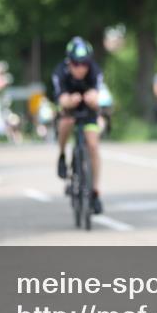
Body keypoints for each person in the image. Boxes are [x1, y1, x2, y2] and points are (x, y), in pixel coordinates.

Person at [51, 37, 104, 214]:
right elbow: (60, 98)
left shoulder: (95, 71)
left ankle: (95, 191)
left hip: (88, 110)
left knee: (93, 145)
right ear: (69, 62)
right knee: (66, 121)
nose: (80, 68)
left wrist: (93, 99)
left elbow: (98, 97)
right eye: (76, 64)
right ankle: (61, 154)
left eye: (84, 64)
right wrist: (69, 101)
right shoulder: (60, 71)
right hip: (69, 107)